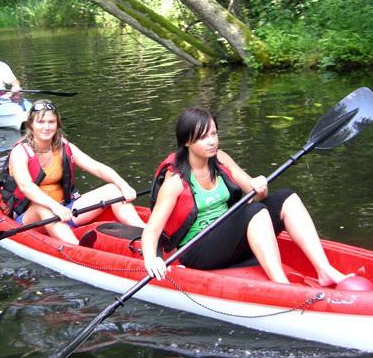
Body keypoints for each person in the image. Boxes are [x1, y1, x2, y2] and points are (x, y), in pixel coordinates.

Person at [142, 107, 350, 285]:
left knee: (287, 197)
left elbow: (257, 197)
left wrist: (261, 188)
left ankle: (324, 270)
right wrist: (152, 261)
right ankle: (281, 285)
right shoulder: (175, 182)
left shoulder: (221, 159)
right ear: (187, 141)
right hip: (197, 251)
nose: (212, 141)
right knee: (254, 211)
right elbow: (151, 230)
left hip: (227, 238)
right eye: (204, 137)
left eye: (214, 134)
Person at [0, 100, 146, 245]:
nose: (46, 127)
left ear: (57, 124)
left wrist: (124, 185)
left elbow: (97, 167)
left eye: (51, 122)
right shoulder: (20, 152)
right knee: (43, 208)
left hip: (66, 210)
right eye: (41, 122)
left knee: (113, 189)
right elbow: (26, 186)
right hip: (32, 218)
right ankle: (79, 250)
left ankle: (146, 233)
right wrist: (54, 206)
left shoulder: (64, 147)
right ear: (31, 124)